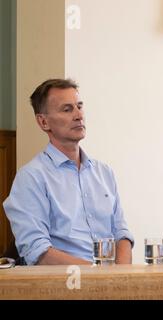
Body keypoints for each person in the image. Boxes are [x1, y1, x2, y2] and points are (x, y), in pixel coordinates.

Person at [3, 79, 134, 265]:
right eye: (67, 109)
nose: (79, 115)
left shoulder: (104, 172)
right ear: (43, 122)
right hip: (65, 285)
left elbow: (122, 234)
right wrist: (98, 277)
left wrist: (121, 278)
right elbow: (37, 251)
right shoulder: (31, 177)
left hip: (111, 284)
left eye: (79, 106)